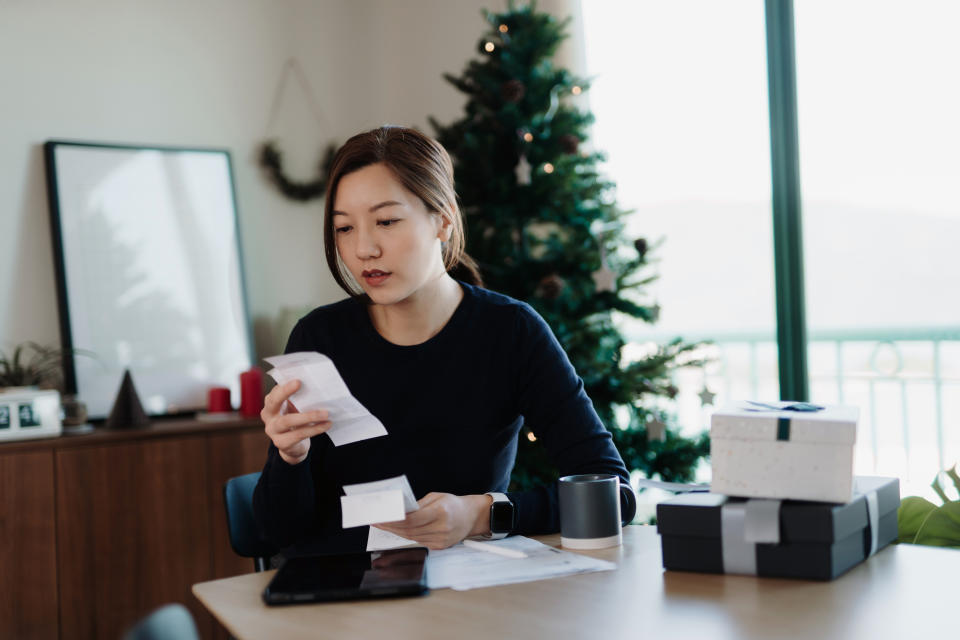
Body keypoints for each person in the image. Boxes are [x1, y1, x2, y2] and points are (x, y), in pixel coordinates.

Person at [253, 125, 636, 554]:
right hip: (346, 602)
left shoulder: (511, 331)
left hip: (470, 594)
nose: (364, 249)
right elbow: (275, 534)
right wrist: (290, 458)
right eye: (344, 228)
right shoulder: (318, 337)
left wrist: (481, 514)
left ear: (444, 220)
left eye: (386, 221)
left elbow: (615, 495)